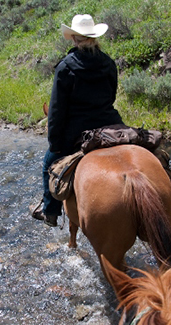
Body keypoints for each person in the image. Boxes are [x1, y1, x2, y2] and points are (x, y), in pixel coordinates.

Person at [32, 14, 124, 227]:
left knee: (48, 163)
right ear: (94, 37)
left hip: (77, 131)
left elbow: (56, 111)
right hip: (111, 125)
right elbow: (111, 97)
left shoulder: (66, 67)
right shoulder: (109, 63)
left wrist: (55, 145)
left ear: (74, 38)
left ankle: (50, 213)